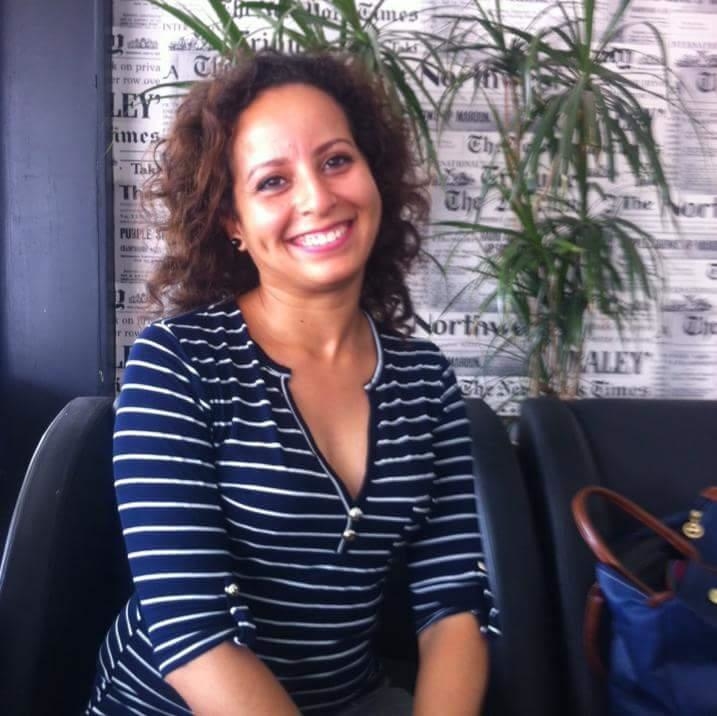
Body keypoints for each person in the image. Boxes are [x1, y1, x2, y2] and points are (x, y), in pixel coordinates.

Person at [87, 50, 495, 716]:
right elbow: (193, 636)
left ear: (373, 174)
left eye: (336, 161)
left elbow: (454, 604)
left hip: (350, 699)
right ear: (233, 222)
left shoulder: (426, 382)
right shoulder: (177, 362)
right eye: (273, 181)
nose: (318, 198)